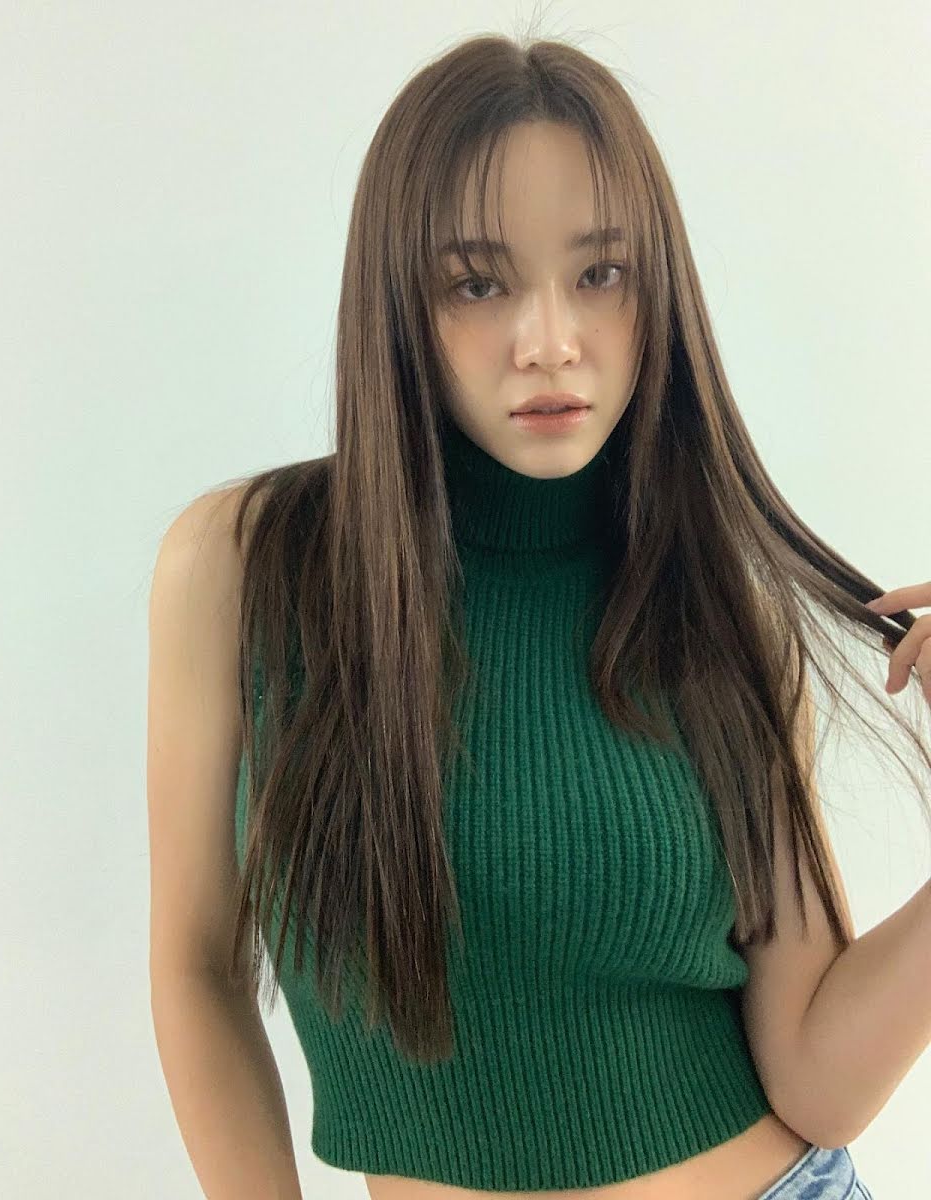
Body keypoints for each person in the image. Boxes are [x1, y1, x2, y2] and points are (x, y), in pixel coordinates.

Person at [145, 32, 926, 1200]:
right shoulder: (244, 566)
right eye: (479, 283)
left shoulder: (722, 612)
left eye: (601, 274)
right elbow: (197, 967)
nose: (550, 341)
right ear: (401, 303)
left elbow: (818, 1079)